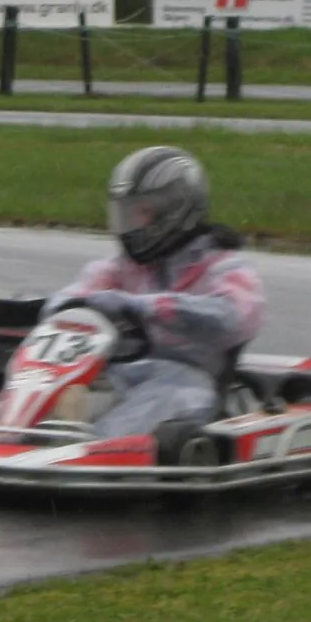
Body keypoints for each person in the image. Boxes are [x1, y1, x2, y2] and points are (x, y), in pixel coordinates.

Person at [39, 145, 266, 438]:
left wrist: (147, 307)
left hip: (189, 379)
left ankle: (95, 446)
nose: (132, 224)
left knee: (166, 396)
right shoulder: (122, 268)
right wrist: (70, 306)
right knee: (63, 381)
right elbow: (72, 297)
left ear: (174, 211)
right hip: (120, 373)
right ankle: (9, 426)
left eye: (142, 212)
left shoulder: (224, 267)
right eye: (127, 214)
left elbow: (233, 318)